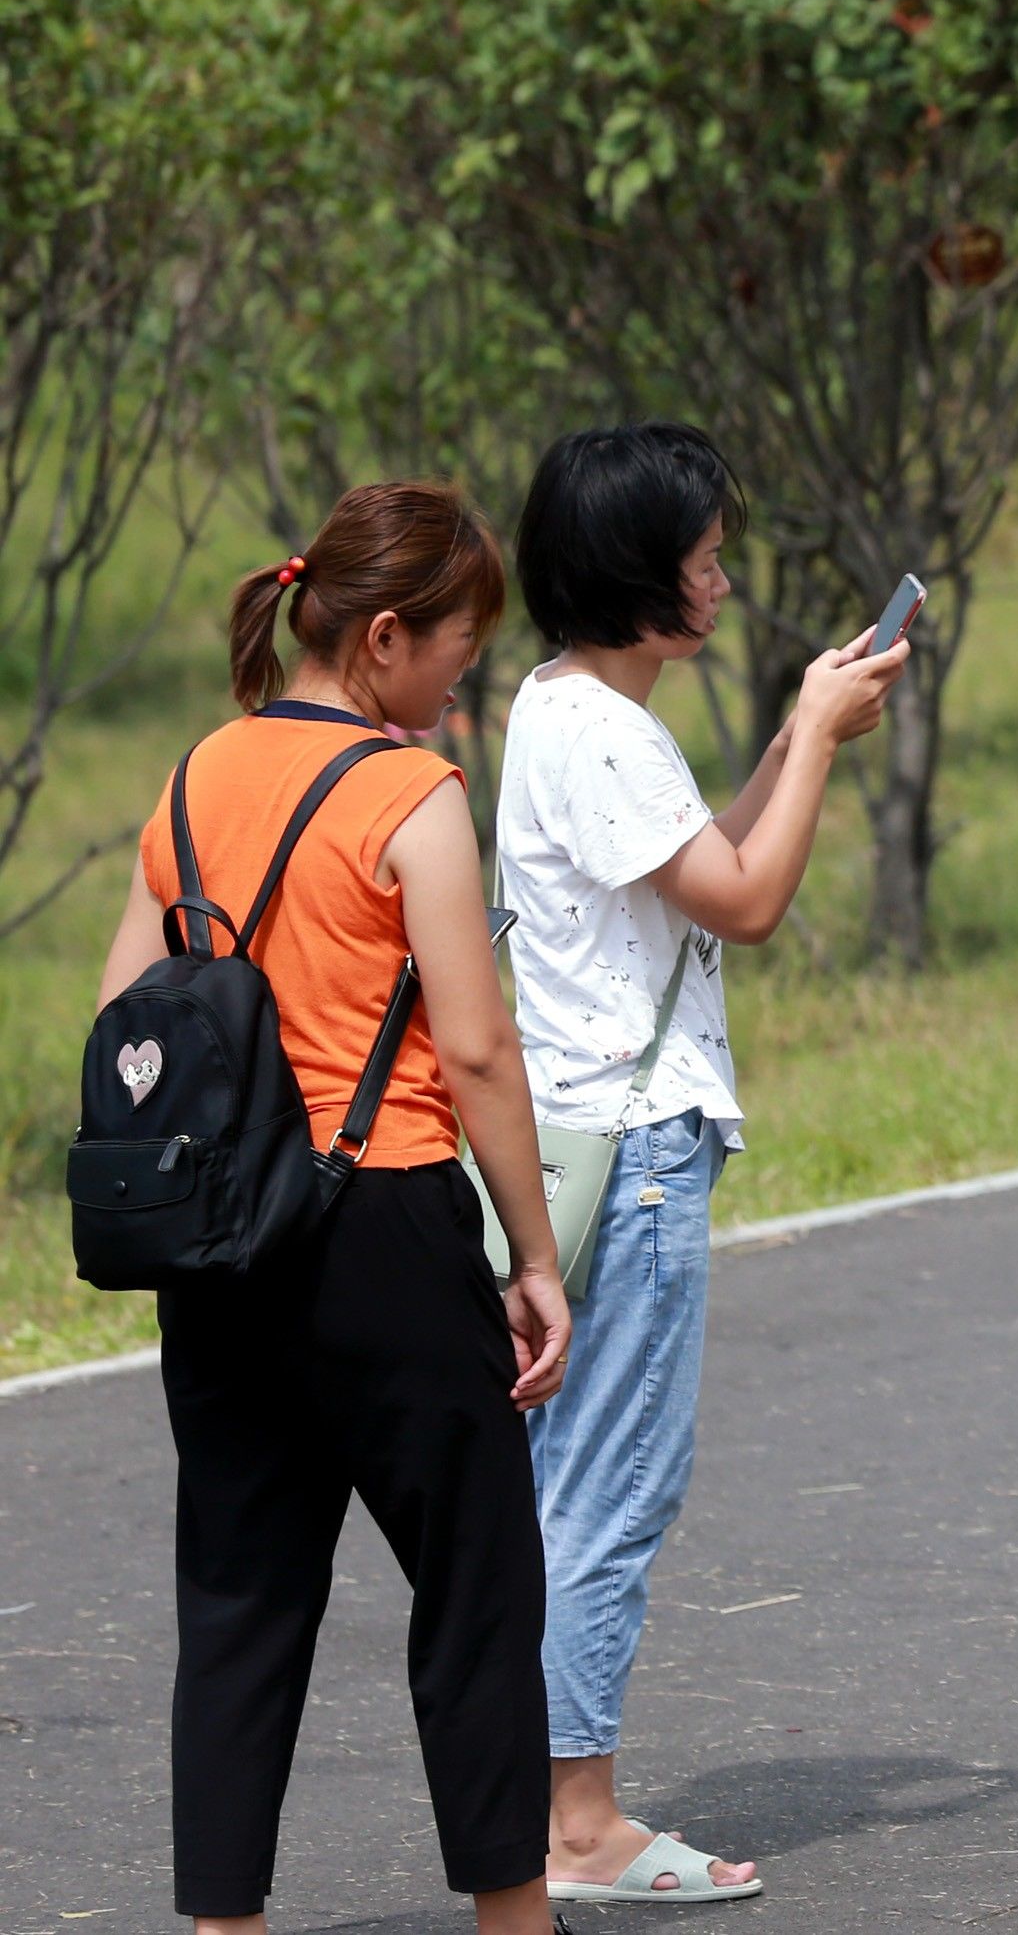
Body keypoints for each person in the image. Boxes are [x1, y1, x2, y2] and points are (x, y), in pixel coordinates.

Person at [91, 484, 570, 1935]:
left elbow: (123, 1009)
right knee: (477, 1580)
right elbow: (477, 1048)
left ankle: (221, 1926)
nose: (457, 683)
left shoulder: (190, 778)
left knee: (240, 1592)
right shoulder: (409, 795)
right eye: (454, 652)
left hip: (222, 1241)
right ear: (380, 637)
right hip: (386, 1225)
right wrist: (535, 1253)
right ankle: (513, 1917)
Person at [500, 424, 908, 1904]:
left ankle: (547, 1799)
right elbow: (745, 900)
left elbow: (691, 866)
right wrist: (811, 737)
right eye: (703, 553)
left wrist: (799, 739)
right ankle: (579, 1824)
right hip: (637, 1147)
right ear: (635, 572)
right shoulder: (601, 729)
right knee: (611, 1487)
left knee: (568, 1483)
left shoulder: (566, 709)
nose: (723, 575)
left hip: (587, 1138)